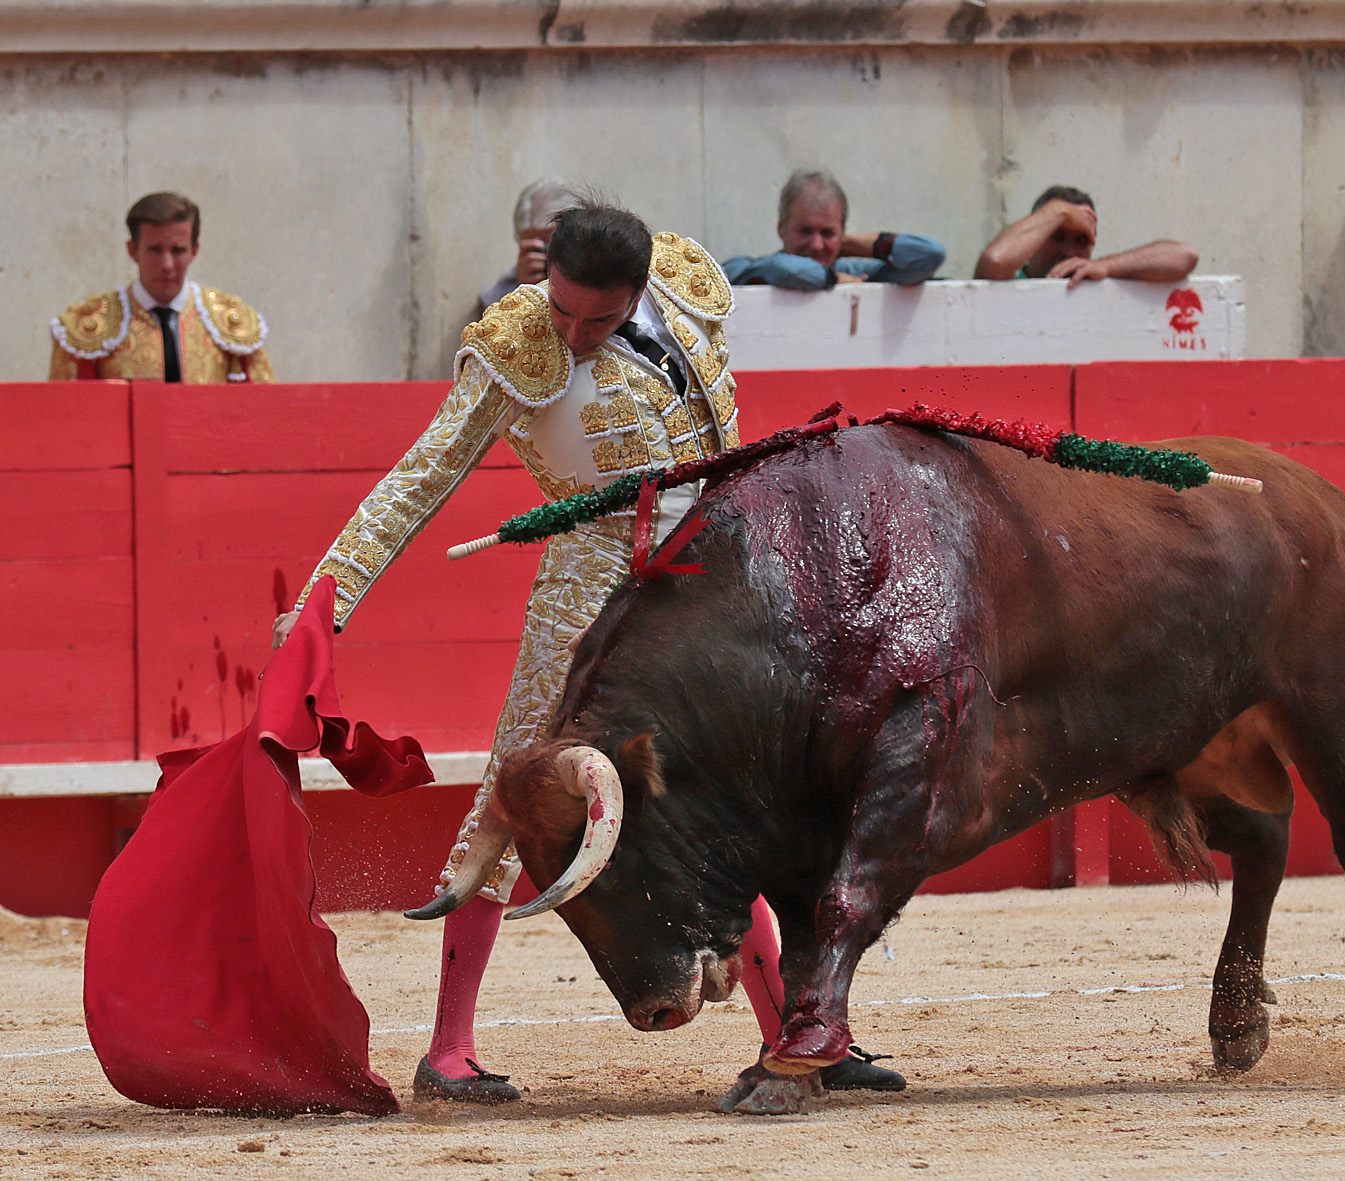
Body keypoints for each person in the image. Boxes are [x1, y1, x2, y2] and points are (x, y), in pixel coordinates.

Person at [271, 197, 903, 1104]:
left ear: (639, 291)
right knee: (516, 789)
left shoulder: (687, 292)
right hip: (589, 581)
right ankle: (449, 1046)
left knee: (736, 794)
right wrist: (320, 604)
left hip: (711, 575)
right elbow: (417, 480)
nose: (567, 333)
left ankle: (795, 1035)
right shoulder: (513, 345)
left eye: (594, 319)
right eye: (559, 308)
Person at [49, 191, 273, 382]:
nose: (167, 265)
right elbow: (69, 419)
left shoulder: (232, 324)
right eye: (155, 250)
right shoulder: (89, 327)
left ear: (194, 250)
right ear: (132, 250)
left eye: (178, 250)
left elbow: (264, 414)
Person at [722, 170, 945, 290]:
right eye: (805, 231)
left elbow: (930, 255)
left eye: (828, 233)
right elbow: (786, 269)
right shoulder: (747, 269)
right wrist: (835, 280)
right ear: (781, 229)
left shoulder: (856, 271)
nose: (817, 245)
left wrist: (851, 245)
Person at [974, 185, 1200, 289]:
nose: (1068, 252)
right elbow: (994, 262)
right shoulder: (1008, 284)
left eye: (1081, 241)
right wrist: (1058, 212)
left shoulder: (1099, 280)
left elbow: (1185, 257)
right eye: (1056, 236)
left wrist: (1106, 266)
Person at [477, 178, 577, 318]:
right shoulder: (499, 297)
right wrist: (523, 295)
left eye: (550, 244)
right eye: (536, 248)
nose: (546, 255)